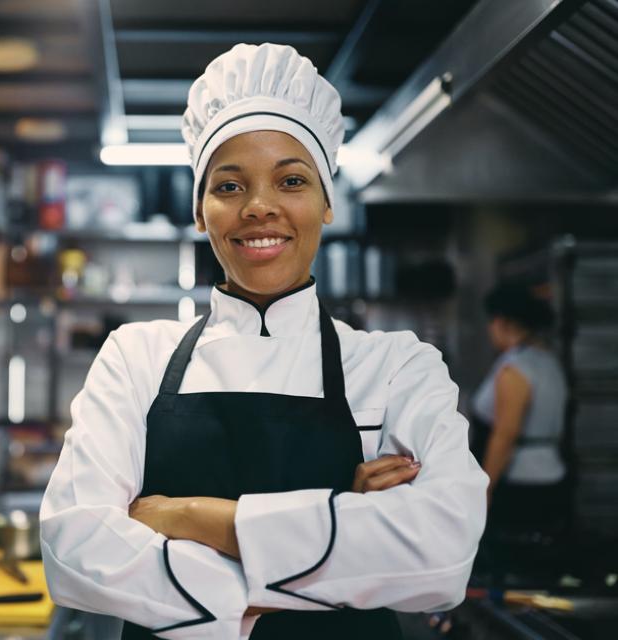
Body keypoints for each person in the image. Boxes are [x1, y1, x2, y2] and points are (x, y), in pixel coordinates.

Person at [39, 43, 488, 639]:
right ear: (200, 212)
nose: (259, 207)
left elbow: (443, 552)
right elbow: (75, 550)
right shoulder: (135, 357)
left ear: (327, 202)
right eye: (228, 186)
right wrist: (344, 553)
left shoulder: (398, 366)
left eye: (292, 179)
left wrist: (190, 516)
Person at [472, 283, 568, 531]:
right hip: (552, 474)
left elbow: (505, 434)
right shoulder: (548, 360)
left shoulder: (514, 369)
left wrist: (486, 489)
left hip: (519, 484)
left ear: (502, 322)